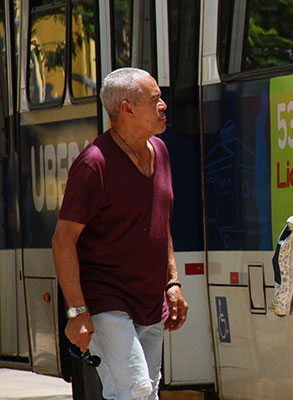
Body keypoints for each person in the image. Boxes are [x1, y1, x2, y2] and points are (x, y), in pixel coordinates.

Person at [52, 67, 188, 400]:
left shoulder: (162, 152)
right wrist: (77, 311)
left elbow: (160, 223)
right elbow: (63, 240)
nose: (164, 105)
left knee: (147, 390)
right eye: (155, 99)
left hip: (150, 298)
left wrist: (172, 282)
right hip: (106, 299)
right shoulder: (93, 164)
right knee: (135, 390)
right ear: (126, 109)